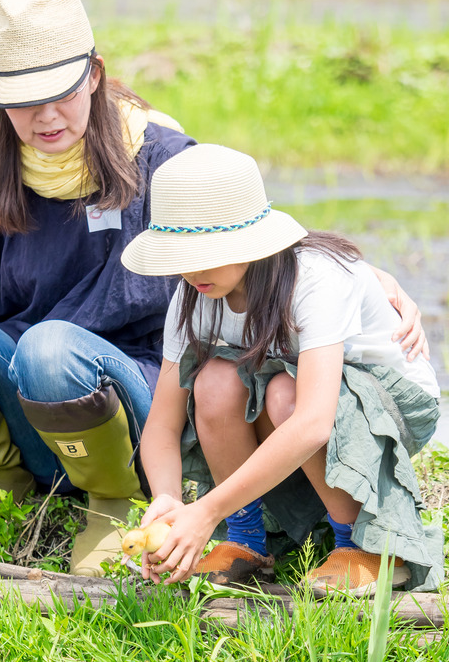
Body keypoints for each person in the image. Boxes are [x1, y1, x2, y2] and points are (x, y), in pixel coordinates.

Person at [0, 0, 196, 576]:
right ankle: (4, 481)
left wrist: (368, 284)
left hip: (131, 399)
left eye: (61, 94)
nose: (46, 116)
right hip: (31, 392)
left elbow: (249, 239)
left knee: (49, 346)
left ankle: (110, 501)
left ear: (95, 75)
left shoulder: (160, 157)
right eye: (24, 101)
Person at [121, 144, 443, 594]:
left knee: (282, 394)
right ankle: (247, 543)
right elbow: (163, 422)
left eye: (205, 251)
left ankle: (361, 546)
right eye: (179, 255)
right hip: (300, 401)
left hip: (389, 405)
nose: (190, 269)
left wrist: (205, 510)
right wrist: (168, 501)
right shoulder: (194, 296)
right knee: (213, 380)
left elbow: (311, 422)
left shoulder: (314, 278)